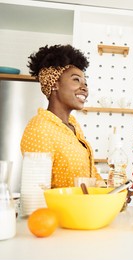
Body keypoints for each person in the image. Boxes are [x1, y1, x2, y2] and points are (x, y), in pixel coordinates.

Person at [20, 44, 103, 188]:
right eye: (76, 80)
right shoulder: (40, 128)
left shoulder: (73, 126)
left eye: (85, 82)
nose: (84, 88)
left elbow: (89, 174)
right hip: (56, 210)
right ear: (54, 84)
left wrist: (111, 190)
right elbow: (36, 189)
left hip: (80, 209)